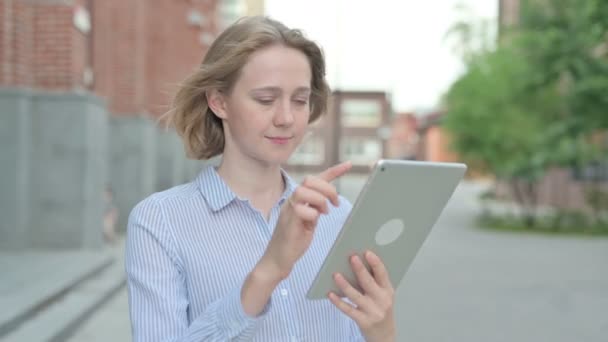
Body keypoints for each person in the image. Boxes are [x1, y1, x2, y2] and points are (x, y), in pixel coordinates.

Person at [125, 16, 396, 342]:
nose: (286, 118)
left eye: (300, 100)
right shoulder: (160, 221)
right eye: (266, 99)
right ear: (219, 101)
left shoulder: (339, 216)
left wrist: (382, 332)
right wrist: (269, 270)